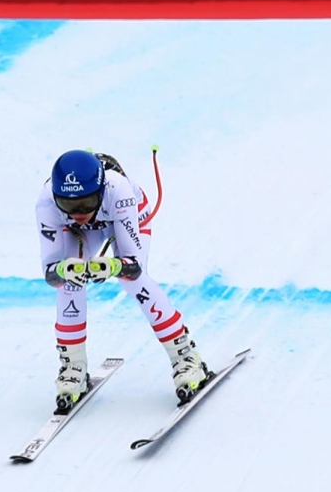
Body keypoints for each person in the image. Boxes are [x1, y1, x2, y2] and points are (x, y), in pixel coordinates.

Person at [37, 149, 209, 412]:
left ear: (101, 190)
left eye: (86, 202)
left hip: (125, 215)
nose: (79, 211)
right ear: (56, 198)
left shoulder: (118, 190)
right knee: (70, 283)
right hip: (79, 232)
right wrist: (63, 270)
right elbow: (51, 273)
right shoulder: (47, 203)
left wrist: (114, 265)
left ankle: (186, 356)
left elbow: (133, 265)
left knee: (133, 282)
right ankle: (73, 366)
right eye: (70, 206)